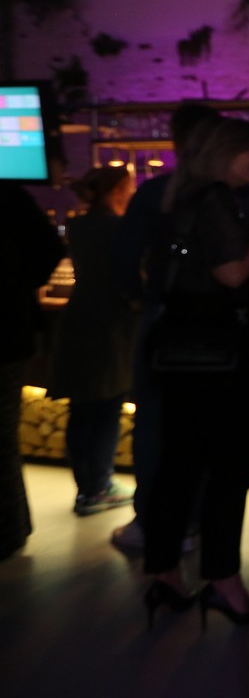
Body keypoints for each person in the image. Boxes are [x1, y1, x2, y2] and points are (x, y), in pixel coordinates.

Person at [142, 117, 249, 628]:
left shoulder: (179, 198)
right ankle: (223, 581)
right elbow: (232, 273)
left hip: (178, 355)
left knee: (178, 464)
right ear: (227, 153)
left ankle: (164, 573)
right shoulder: (217, 200)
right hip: (219, 357)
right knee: (232, 463)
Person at [110, 101, 249, 553]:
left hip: (169, 323)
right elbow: (240, 272)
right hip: (222, 330)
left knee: (161, 429)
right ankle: (196, 529)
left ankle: (155, 524)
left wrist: (145, 301)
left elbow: (124, 260)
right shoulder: (239, 195)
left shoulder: (160, 192)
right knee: (217, 441)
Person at [50, 165, 138, 516]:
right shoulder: (119, 227)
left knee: (82, 408)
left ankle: (85, 487)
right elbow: (127, 279)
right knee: (107, 407)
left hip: (79, 318)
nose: (133, 193)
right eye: (130, 187)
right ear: (117, 190)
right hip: (110, 324)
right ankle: (99, 486)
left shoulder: (79, 225)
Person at [0, 181, 67, 561]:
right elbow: (49, 249)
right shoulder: (9, 195)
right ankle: (10, 530)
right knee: (3, 437)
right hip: (8, 331)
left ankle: (10, 532)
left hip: (7, 333)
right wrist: (17, 288)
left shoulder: (8, 195)